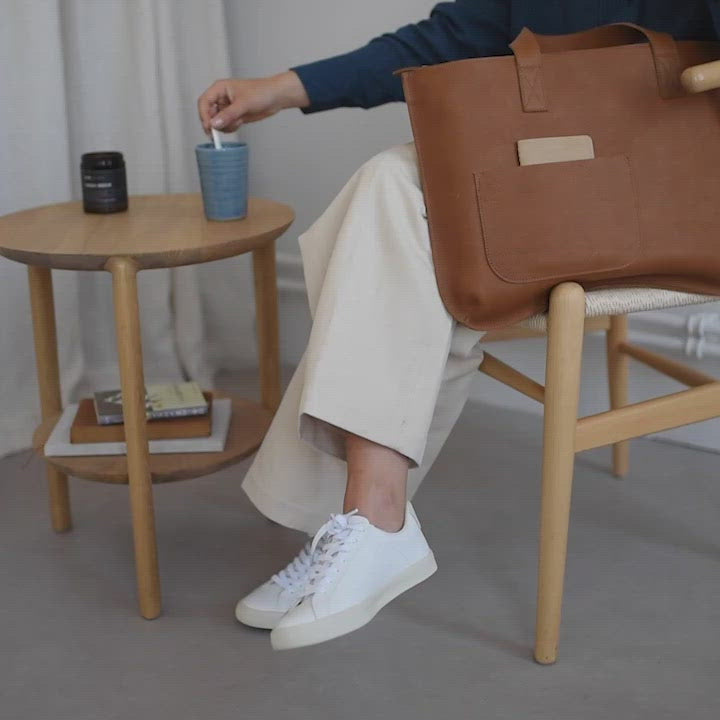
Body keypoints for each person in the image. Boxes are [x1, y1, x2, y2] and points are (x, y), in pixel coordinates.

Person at [197, 1, 718, 650]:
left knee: (419, 264)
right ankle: (362, 522)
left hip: (681, 190)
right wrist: (278, 89)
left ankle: (363, 523)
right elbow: (443, 40)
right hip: (569, 172)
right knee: (389, 182)